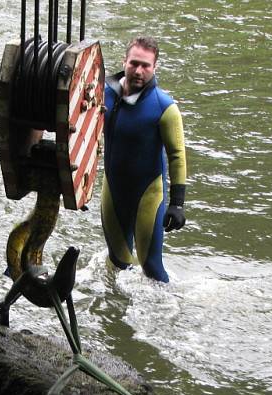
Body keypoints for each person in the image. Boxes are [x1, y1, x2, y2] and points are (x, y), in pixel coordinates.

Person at [100, 35, 187, 283]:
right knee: (117, 260)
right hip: (112, 190)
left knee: (151, 268)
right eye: (134, 63)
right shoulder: (103, 93)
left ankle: (169, 315)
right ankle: (114, 313)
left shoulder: (164, 107)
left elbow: (177, 156)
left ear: (155, 67)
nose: (139, 71)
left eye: (146, 65)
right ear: (124, 62)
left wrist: (177, 204)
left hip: (148, 195)